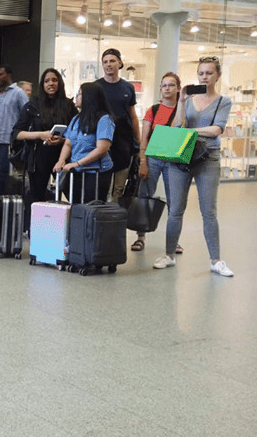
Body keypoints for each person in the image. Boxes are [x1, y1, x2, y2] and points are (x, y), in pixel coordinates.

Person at [156, 56, 234, 277]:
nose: (204, 77)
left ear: (217, 75)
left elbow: (216, 130)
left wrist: (189, 132)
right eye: (201, 73)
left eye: (209, 73)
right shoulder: (188, 100)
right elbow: (178, 124)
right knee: (175, 210)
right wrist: (181, 101)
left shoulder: (223, 101)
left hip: (207, 157)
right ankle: (169, 254)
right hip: (182, 156)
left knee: (209, 211)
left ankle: (216, 260)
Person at [132, 72, 183, 255]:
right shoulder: (153, 110)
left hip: (175, 160)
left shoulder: (184, 109)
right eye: (164, 85)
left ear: (178, 88)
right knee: (145, 195)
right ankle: (141, 236)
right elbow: (144, 138)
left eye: (171, 85)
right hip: (153, 158)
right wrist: (143, 161)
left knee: (174, 201)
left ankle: (173, 240)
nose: (167, 88)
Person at [11, 68, 78, 202]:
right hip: (38, 157)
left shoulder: (68, 105)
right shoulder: (32, 106)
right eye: (47, 81)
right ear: (42, 85)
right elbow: (17, 133)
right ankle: (35, 222)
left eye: (54, 80)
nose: (51, 84)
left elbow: (77, 133)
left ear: (60, 83)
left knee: (72, 194)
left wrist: (63, 140)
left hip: (63, 157)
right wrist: (40, 135)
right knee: (37, 197)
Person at [53, 82, 115, 203]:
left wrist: (77, 163)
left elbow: (102, 148)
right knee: (76, 206)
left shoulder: (104, 119)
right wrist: (61, 161)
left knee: (91, 208)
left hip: (96, 172)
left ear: (89, 97)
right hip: (77, 171)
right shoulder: (77, 118)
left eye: (80, 94)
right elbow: (68, 143)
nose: (76, 96)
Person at [96, 48, 141, 200]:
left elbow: (133, 116)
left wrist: (138, 143)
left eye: (112, 61)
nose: (108, 65)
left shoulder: (128, 87)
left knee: (119, 187)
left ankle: (116, 216)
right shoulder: (96, 87)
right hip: (103, 142)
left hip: (124, 142)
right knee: (104, 186)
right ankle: (103, 216)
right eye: (105, 62)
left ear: (120, 63)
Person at [0, 65, 29, 197]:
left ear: (8, 76)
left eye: (1, 75)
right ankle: (0, 202)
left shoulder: (18, 93)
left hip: (9, 141)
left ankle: (4, 203)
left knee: (3, 173)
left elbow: (27, 114)